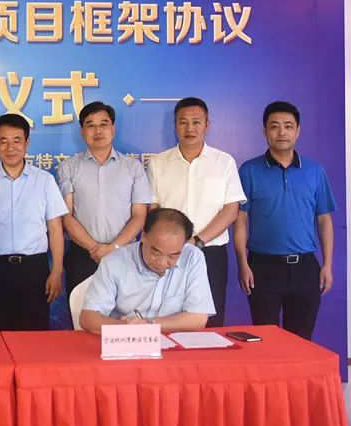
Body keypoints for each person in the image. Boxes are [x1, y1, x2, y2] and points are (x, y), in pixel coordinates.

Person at [234, 101, 336, 340]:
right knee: (265, 340)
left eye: (288, 126)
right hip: (262, 268)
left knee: (301, 341)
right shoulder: (249, 170)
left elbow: (324, 220)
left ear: (298, 130)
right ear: (264, 131)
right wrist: (242, 264)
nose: (282, 132)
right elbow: (240, 220)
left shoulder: (314, 171)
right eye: (275, 126)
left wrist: (327, 264)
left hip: (305, 268)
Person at [0, 113, 68, 331]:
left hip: (34, 270)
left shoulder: (45, 181)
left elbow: (55, 229)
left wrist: (56, 271)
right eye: (4, 141)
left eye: (17, 141)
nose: (10, 148)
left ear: (27, 142)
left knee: (35, 335)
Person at [147, 97, 246, 327]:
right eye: (183, 122)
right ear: (175, 125)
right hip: (167, 254)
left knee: (209, 321)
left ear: (207, 125)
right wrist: (171, 244)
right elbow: (153, 209)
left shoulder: (224, 162)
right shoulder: (158, 163)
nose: (189, 128)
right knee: (166, 318)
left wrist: (197, 241)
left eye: (196, 122)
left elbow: (231, 210)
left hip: (210, 253)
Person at [57, 101, 152, 298]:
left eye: (103, 124)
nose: (98, 131)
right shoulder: (68, 167)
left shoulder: (133, 168)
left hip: (124, 254)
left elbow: (139, 216)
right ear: (82, 131)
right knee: (81, 311)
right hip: (82, 255)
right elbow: (66, 216)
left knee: (125, 313)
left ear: (113, 129)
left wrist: (113, 248)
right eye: (90, 125)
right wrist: (95, 248)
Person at [80, 208, 214, 334]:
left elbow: (198, 319)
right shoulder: (114, 262)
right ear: (144, 235)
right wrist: (126, 328)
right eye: (156, 252)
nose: (162, 262)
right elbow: (88, 317)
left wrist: (148, 324)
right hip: (126, 340)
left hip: (172, 344)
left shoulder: (192, 257)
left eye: (173, 256)